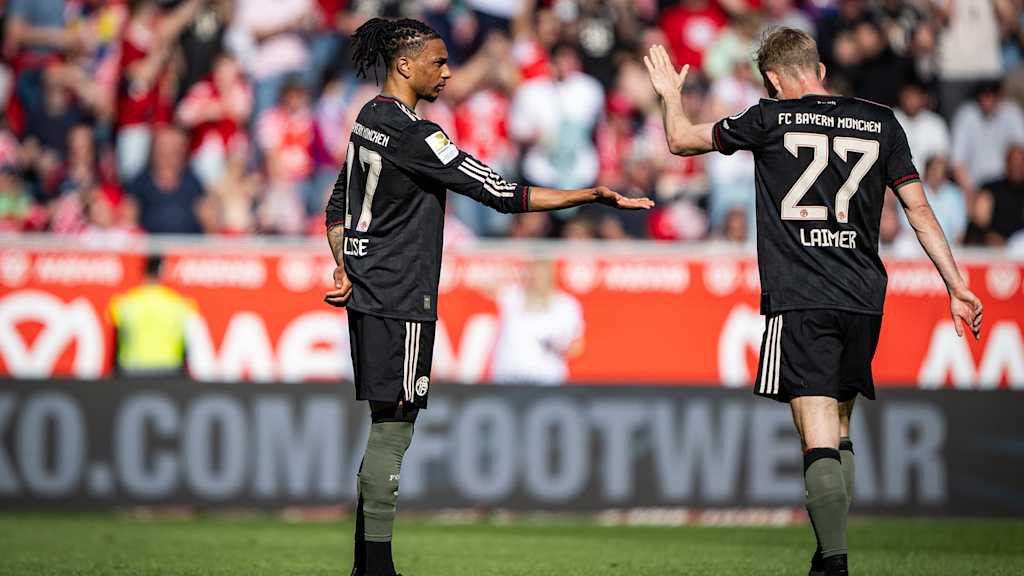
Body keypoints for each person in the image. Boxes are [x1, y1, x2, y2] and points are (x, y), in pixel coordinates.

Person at [644, 28, 983, 576]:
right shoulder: (881, 121)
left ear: (774, 80)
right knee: (841, 430)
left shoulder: (769, 117)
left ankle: (833, 562)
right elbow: (918, 209)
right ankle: (830, 553)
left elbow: (681, 141)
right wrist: (956, 284)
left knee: (817, 434)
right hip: (863, 298)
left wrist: (669, 95)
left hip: (801, 295)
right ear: (820, 70)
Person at [322, 17, 652, 576]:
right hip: (402, 296)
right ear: (405, 64)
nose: (448, 72)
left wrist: (344, 264)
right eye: (439, 61)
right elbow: (500, 192)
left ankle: (368, 564)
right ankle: (374, 566)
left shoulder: (367, 118)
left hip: (371, 290)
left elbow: (337, 206)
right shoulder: (417, 134)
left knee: (386, 422)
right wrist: (588, 192)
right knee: (394, 428)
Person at [108, 254, 197, 376]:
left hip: (132, 370)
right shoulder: (177, 304)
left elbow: (116, 343)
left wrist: (114, 373)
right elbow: (186, 347)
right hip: (169, 370)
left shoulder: (126, 303)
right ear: (163, 271)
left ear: (143, 270)